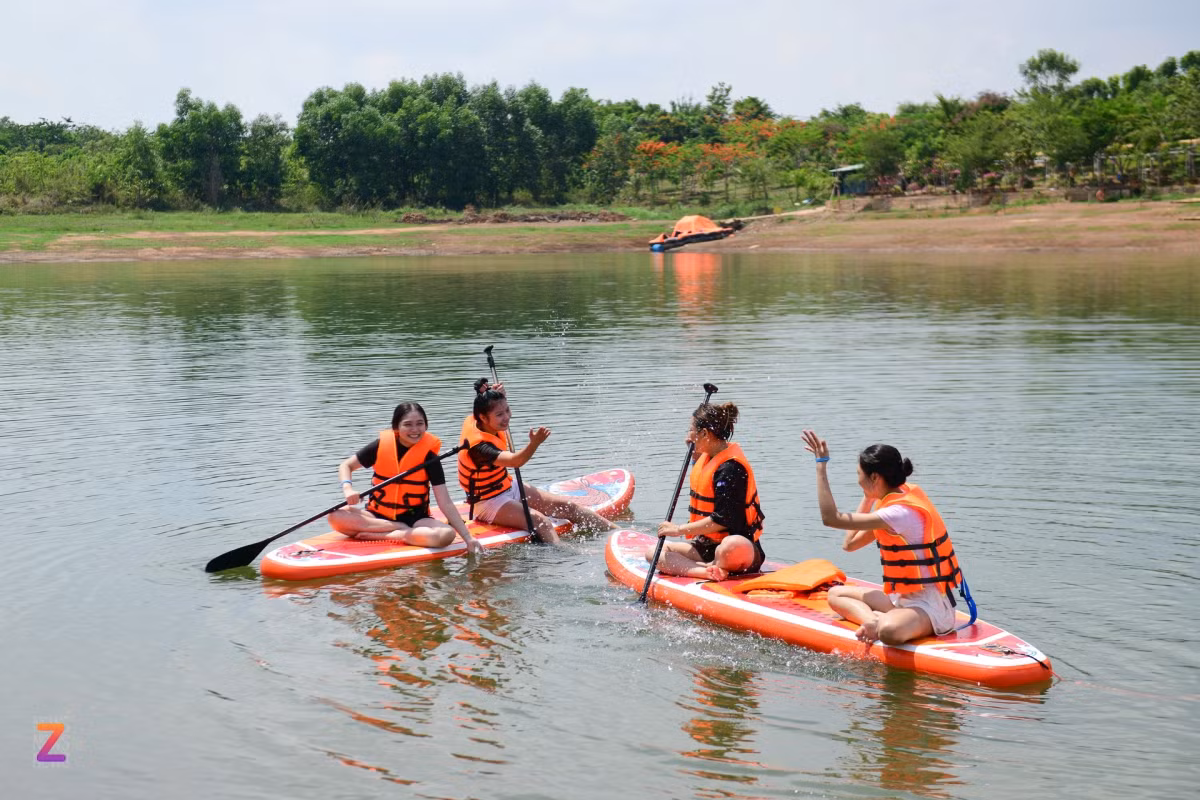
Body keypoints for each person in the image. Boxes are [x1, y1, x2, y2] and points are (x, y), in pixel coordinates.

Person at [801, 430, 962, 645]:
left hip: (929, 607)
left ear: (875, 477)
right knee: (835, 595)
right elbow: (850, 544)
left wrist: (821, 466)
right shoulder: (892, 501)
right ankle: (871, 621)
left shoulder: (898, 513)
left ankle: (881, 623)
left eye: (859, 474)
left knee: (889, 632)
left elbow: (830, 518)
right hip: (901, 601)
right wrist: (869, 497)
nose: (858, 480)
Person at [458, 383, 616, 545]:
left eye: (507, 410)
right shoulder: (479, 448)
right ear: (483, 418)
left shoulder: (478, 418)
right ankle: (565, 554)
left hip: (509, 486)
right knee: (541, 522)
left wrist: (495, 394)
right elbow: (515, 461)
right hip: (488, 502)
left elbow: (484, 404)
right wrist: (534, 443)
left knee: (568, 507)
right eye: (499, 414)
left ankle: (617, 532)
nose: (507, 417)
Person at [329, 402, 482, 556]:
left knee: (446, 534)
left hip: (415, 520)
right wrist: (348, 488)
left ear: (426, 425)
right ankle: (399, 528)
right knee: (335, 516)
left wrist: (468, 538)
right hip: (376, 516)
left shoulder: (430, 458)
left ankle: (395, 535)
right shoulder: (380, 446)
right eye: (408, 424)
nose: (415, 430)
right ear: (396, 427)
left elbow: (445, 502)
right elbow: (346, 465)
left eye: (420, 424)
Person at [650, 402, 766, 580]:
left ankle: (715, 565)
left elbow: (723, 519)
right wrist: (694, 455)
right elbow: (706, 480)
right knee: (654, 552)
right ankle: (705, 571)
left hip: (738, 551)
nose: (688, 436)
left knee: (731, 545)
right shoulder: (707, 457)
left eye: (691, 430)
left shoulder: (731, 469)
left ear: (704, 433)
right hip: (706, 548)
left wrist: (678, 529)